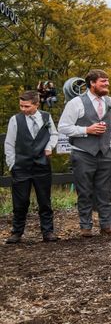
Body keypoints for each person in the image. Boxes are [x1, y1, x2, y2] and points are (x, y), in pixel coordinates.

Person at [59, 69, 111, 237]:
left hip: (106, 153)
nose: (107, 84)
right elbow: (63, 127)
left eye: (107, 81)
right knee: (84, 191)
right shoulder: (76, 103)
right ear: (92, 83)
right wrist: (87, 129)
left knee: (105, 191)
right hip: (83, 153)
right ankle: (86, 226)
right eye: (103, 81)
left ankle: (106, 224)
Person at [4, 90, 59, 244]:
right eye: (21, 106)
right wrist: (12, 164)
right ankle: (17, 232)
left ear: (36, 104)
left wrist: (50, 147)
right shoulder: (15, 120)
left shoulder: (46, 117)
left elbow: (54, 134)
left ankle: (48, 232)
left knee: (45, 201)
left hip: (42, 166)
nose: (23, 109)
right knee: (20, 202)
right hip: (21, 166)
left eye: (26, 106)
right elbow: (9, 143)